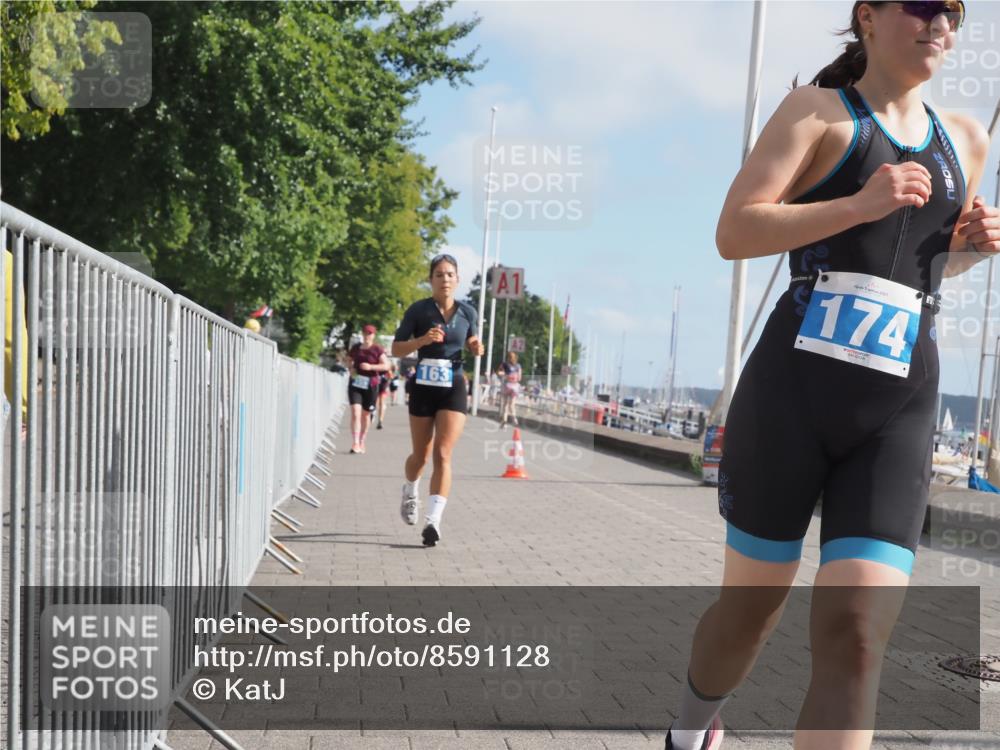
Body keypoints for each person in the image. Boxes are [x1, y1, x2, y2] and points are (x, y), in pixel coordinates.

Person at [666, 3, 998, 750]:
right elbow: (735, 230)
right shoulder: (816, 114)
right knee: (750, 613)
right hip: (791, 398)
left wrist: (973, 248)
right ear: (870, 17)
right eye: (922, 4)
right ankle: (689, 731)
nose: (941, 21)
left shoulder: (966, 140)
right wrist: (859, 201)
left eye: (955, 10)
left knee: (855, 637)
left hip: (899, 408)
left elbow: (924, 267)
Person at [391, 254, 485, 547]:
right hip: (423, 385)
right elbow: (395, 349)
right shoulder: (418, 311)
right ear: (431, 280)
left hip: (453, 384)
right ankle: (410, 489)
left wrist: (474, 345)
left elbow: (471, 338)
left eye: (450, 275)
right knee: (420, 456)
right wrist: (421, 341)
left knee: (443, 454)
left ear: (458, 280)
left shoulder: (468, 311)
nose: (445, 280)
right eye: (439, 275)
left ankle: (433, 521)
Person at [347, 324, 391, 454]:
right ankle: (355, 442)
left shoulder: (377, 349)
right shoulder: (355, 348)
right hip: (355, 383)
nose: (367, 336)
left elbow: (386, 365)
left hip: (371, 385)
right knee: (355, 412)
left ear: (373, 335)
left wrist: (371, 367)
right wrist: (351, 368)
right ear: (362, 334)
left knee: (366, 415)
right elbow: (349, 360)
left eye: (370, 333)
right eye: (365, 333)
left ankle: (362, 440)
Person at [498, 351, 522, 428]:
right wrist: (514, 377)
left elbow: (499, 372)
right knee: (512, 405)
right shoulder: (518, 366)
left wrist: (505, 375)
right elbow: (519, 378)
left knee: (505, 404)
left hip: (507, 385)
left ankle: (504, 421)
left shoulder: (504, 364)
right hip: (514, 386)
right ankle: (514, 420)